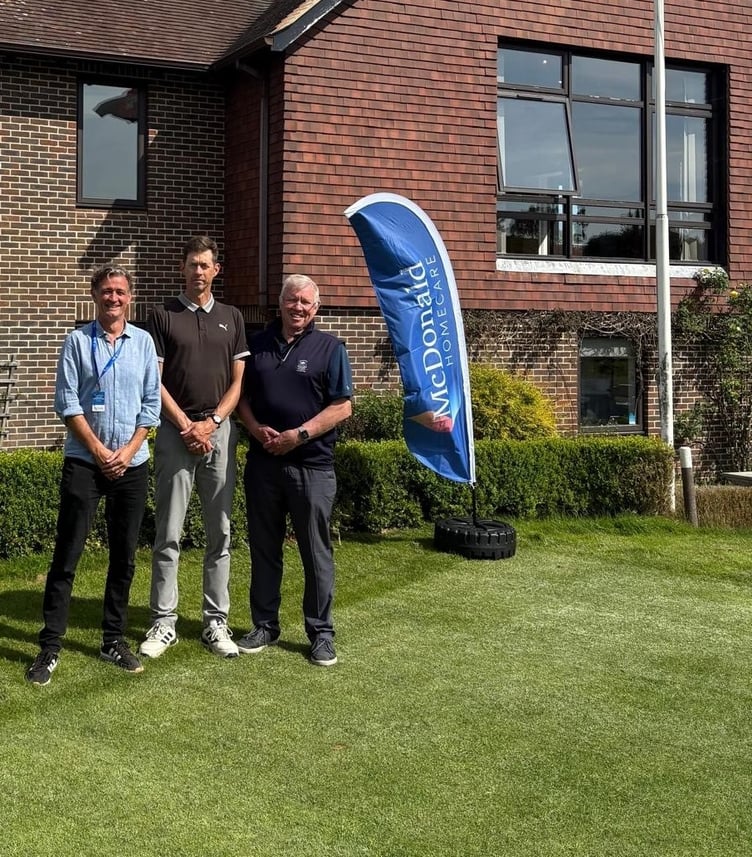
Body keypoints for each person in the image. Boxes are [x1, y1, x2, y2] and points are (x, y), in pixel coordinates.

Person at [25, 266, 161, 686]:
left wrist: (128, 451)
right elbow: (67, 403)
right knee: (67, 554)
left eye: (120, 291)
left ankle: (112, 639)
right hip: (86, 461)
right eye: (106, 291)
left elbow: (151, 404)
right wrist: (101, 451)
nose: (113, 298)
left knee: (124, 557)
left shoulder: (143, 343)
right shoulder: (77, 341)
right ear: (94, 295)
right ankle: (50, 646)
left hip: (131, 465)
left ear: (130, 297)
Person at [139, 235, 249, 660]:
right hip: (176, 432)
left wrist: (213, 423)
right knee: (168, 531)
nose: (198, 271)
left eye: (205, 265)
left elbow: (238, 383)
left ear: (215, 270)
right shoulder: (162, 315)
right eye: (192, 264)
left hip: (218, 432)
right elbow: (155, 381)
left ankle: (215, 622)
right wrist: (187, 425)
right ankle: (163, 622)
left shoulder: (232, 317)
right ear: (181, 268)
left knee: (220, 532)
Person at [236, 274, 353, 667]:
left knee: (315, 552)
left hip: (312, 467)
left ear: (315, 308)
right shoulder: (257, 345)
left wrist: (299, 435)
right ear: (281, 303)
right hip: (264, 465)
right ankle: (264, 626)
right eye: (292, 300)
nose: (298, 307)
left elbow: (342, 407)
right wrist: (255, 429)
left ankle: (321, 633)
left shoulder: (330, 348)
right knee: (264, 548)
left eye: (305, 302)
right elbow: (241, 397)